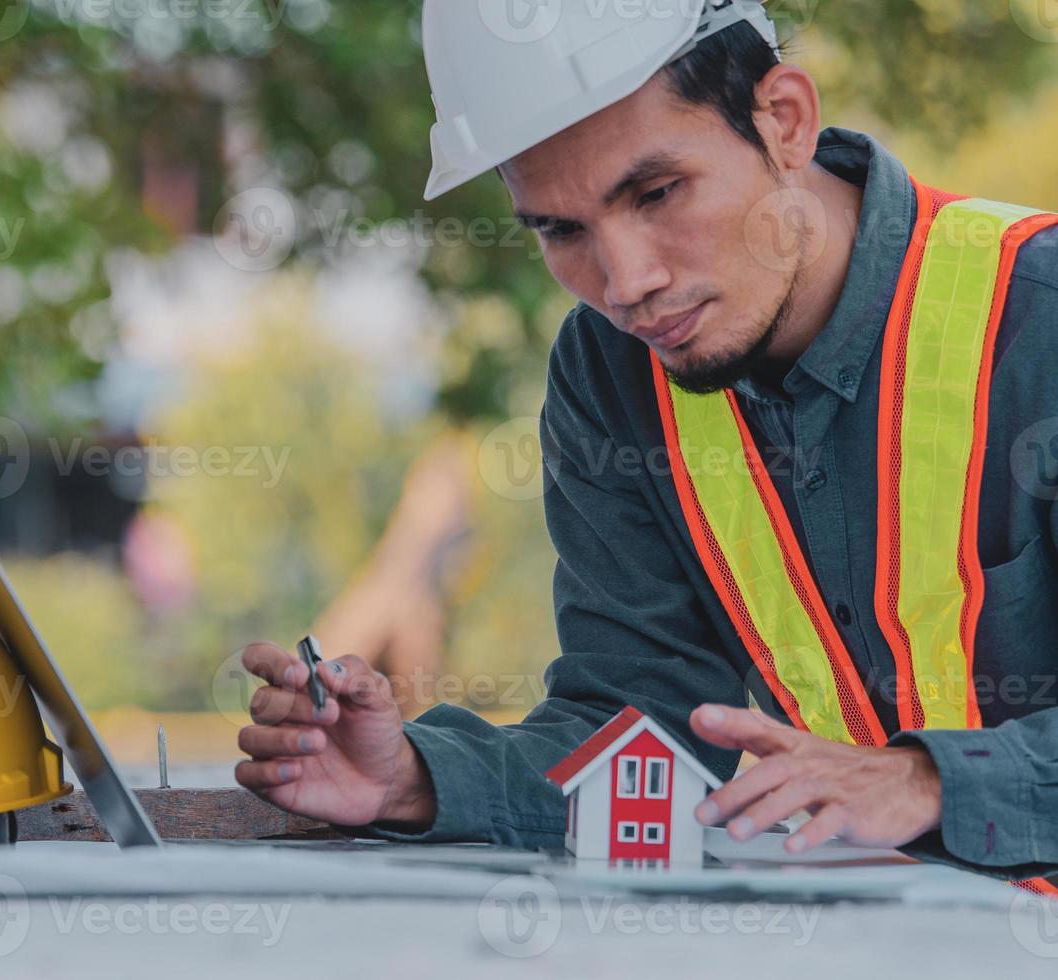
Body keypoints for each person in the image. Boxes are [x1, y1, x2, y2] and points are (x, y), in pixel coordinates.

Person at [234, 0, 1058, 883]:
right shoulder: (610, 378)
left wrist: (926, 781)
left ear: (785, 121)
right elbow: (640, 740)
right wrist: (415, 781)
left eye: (657, 193)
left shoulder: (1038, 315)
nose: (626, 284)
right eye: (561, 228)